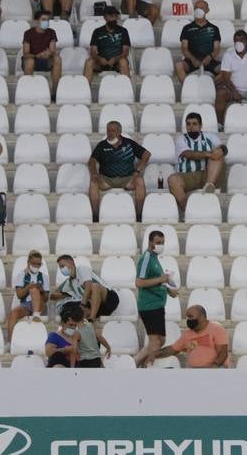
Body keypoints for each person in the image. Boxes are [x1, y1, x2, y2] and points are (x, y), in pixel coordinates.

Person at [88, 121, 149, 222]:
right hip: (107, 179)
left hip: (128, 179)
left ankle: (139, 214)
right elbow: (91, 161)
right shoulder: (102, 145)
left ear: (119, 132)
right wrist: (94, 173)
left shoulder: (129, 143)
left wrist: (138, 171)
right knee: (93, 182)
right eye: (108, 130)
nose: (110, 133)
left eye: (113, 130)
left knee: (140, 181)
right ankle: (95, 216)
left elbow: (146, 155)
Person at [132, 229, 176, 367]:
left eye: (162, 242)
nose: (160, 245)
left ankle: (136, 362)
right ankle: (147, 366)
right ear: (150, 242)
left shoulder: (154, 258)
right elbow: (139, 282)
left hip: (158, 304)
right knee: (155, 342)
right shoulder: (146, 258)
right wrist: (161, 279)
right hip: (149, 305)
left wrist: (167, 289)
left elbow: (155, 281)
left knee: (161, 340)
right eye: (158, 242)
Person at [169, 111, 226, 214]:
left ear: (200, 126)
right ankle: (190, 212)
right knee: (172, 179)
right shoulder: (181, 139)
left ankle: (209, 185)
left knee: (219, 155)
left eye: (194, 124)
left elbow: (222, 148)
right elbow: (188, 154)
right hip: (187, 176)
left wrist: (220, 151)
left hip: (206, 174)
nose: (191, 127)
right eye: (188, 124)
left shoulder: (210, 137)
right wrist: (209, 154)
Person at [157, 304, 230, 369]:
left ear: (202, 317)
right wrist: (153, 354)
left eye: (190, 316)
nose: (188, 320)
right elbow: (171, 350)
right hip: (193, 371)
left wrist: (211, 370)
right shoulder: (187, 334)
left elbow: (223, 353)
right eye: (187, 317)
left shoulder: (216, 328)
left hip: (216, 369)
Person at [215, 30, 247, 122]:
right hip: (233, 89)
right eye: (236, 40)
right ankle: (220, 123)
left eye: (242, 39)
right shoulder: (228, 55)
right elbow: (225, 78)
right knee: (221, 93)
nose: (239, 42)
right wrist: (234, 92)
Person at [52, 254, 119, 321]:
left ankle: (92, 318)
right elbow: (53, 295)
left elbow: (88, 286)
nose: (61, 269)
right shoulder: (69, 282)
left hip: (109, 298)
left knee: (94, 286)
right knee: (75, 311)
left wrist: (83, 305)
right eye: (60, 268)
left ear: (71, 262)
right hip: (99, 307)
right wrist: (65, 295)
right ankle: (88, 323)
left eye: (62, 266)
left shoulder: (82, 269)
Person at [6, 250, 49, 339]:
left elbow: (46, 299)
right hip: (26, 305)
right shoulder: (21, 275)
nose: (36, 266)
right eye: (34, 263)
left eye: (39, 264)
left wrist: (41, 290)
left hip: (40, 305)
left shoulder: (44, 277)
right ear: (28, 262)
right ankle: (10, 341)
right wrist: (28, 287)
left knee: (34, 290)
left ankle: (36, 314)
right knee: (13, 313)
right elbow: (19, 295)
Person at [176, 0, 222, 82]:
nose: (198, 10)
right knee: (179, 66)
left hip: (209, 61)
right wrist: (193, 59)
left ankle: (211, 86)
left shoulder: (214, 28)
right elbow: (184, 48)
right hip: (191, 61)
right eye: (196, 8)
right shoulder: (187, 28)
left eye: (201, 8)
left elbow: (217, 49)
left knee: (226, 70)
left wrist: (209, 58)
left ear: (207, 10)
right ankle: (187, 88)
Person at [84, 7, 131, 81]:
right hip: (101, 62)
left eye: (115, 15)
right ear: (104, 17)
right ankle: (85, 88)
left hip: (117, 62)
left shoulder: (123, 31)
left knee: (123, 61)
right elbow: (93, 52)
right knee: (89, 62)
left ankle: (127, 88)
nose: (113, 17)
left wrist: (115, 59)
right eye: (110, 15)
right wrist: (100, 59)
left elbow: (125, 52)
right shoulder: (97, 31)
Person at [21, 11, 61, 87]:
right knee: (30, 61)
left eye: (48, 20)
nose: (46, 22)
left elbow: (53, 51)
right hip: (32, 59)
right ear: (36, 21)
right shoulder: (28, 33)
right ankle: (27, 90)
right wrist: (37, 56)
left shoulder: (51, 32)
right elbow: (25, 54)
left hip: (46, 60)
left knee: (57, 59)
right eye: (43, 19)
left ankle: (55, 91)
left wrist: (49, 53)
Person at [64, 302, 111, 368]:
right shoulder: (91, 325)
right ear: (83, 316)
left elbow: (73, 350)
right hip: (96, 359)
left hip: (85, 361)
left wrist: (72, 366)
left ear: (72, 319)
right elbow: (100, 337)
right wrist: (108, 348)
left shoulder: (76, 334)